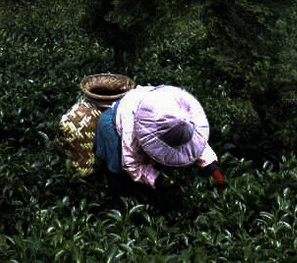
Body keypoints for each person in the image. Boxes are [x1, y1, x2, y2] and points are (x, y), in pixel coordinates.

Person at [94, 84, 226, 198]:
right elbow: (131, 164)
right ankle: (122, 206)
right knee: (118, 172)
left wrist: (215, 173)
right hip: (113, 127)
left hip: (147, 113)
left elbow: (197, 144)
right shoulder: (132, 127)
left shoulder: (180, 115)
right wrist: (159, 180)